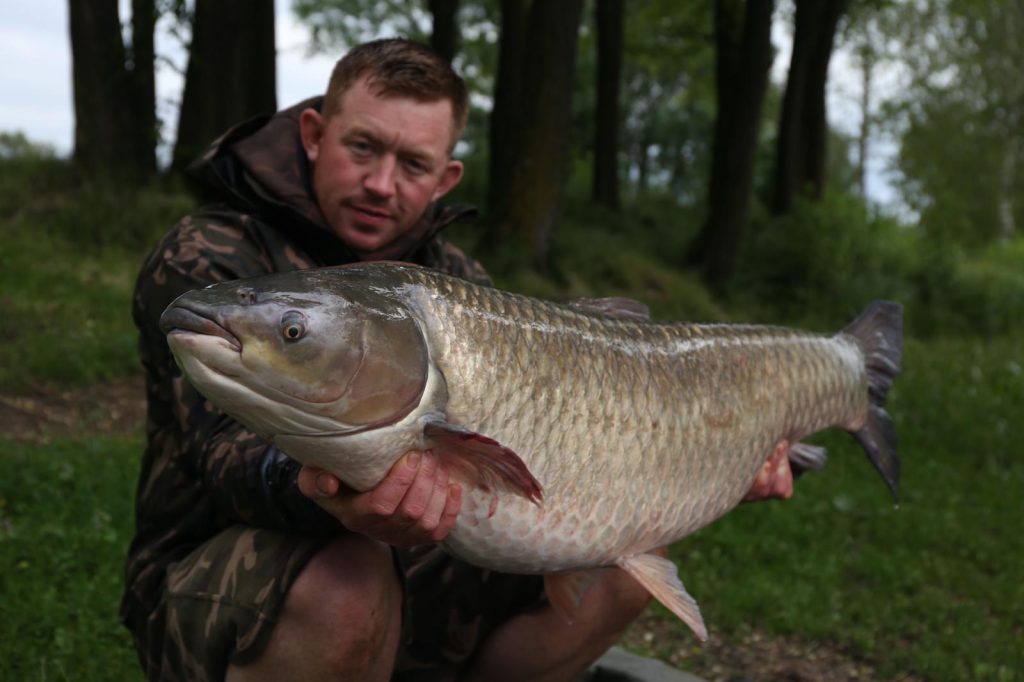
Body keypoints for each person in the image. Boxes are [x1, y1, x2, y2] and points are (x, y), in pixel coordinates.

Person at [122, 38, 793, 682]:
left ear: (446, 178)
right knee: (347, 584)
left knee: (615, 579)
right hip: (226, 570)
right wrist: (319, 491)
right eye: (362, 147)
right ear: (313, 135)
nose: (381, 184)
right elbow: (221, 458)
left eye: (413, 165)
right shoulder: (209, 259)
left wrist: (727, 457)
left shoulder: (453, 277)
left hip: (417, 563)